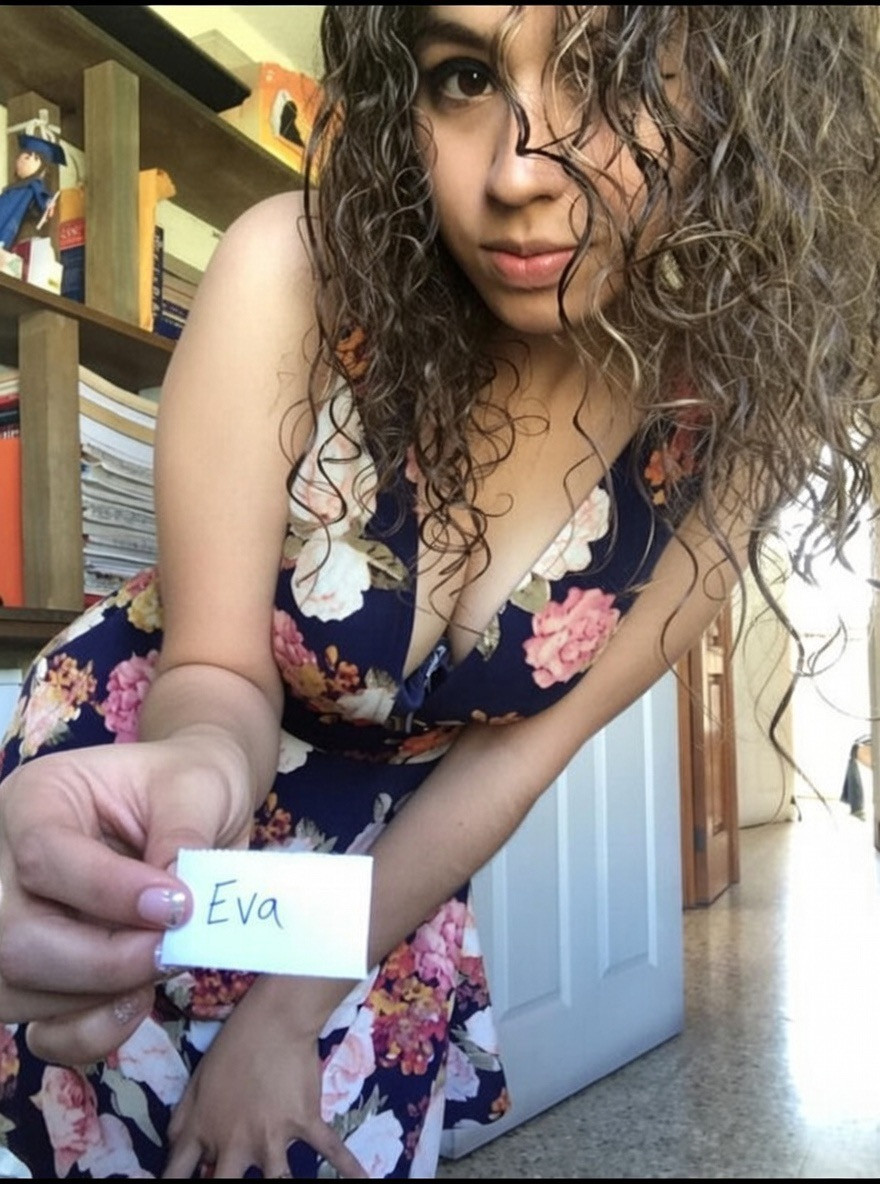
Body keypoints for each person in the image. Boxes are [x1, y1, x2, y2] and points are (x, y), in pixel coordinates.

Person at [0, 4, 878, 1178]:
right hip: (135, 802)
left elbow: (512, 759)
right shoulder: (293, 272)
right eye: (462, 76)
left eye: (603, 74)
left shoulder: (733, 425)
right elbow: (214, 667)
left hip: (375, 900)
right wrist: (194, 774)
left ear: (731, 97)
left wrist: (286, 1013)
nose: (516, 171)